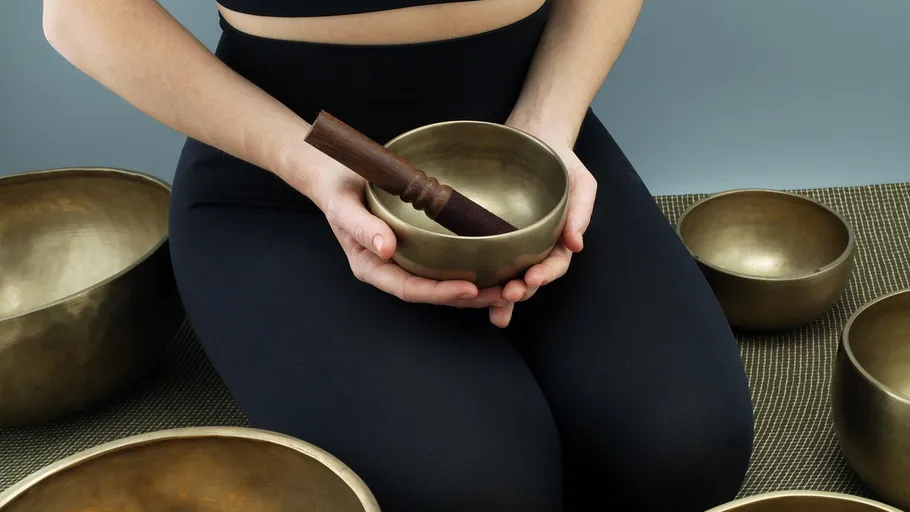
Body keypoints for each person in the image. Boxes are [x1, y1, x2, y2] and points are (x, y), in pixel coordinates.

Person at [42, 0, 754, 509]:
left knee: (688, 451)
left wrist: (546, 132)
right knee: (475, 489)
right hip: (287, 175)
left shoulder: (539, 137)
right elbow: (80, 14)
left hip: (529, 132)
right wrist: (311, 168)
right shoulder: (295, 172)